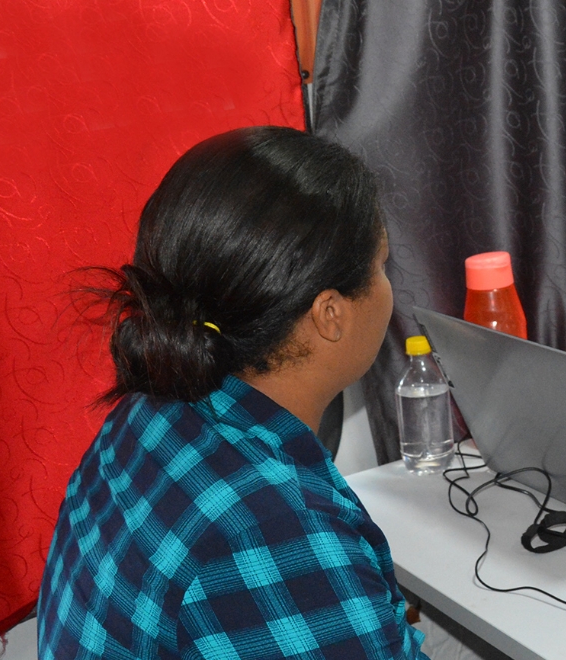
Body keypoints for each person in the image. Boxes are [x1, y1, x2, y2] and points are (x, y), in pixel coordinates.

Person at [38, 127, 428, 659]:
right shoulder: (274, 523)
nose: (389, 287)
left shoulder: (148, 412)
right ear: (330, 314)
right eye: (381, 267)